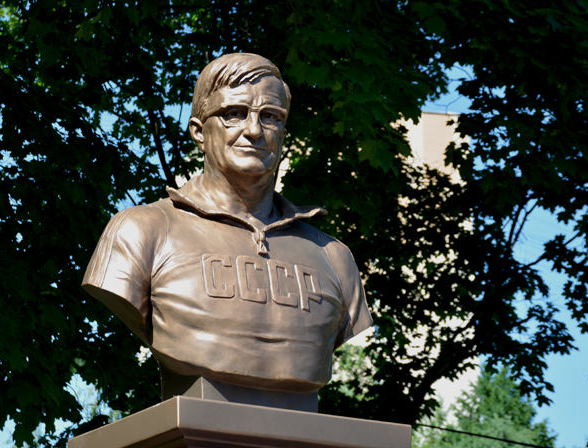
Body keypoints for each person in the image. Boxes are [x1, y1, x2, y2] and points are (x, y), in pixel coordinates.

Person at [82, 53, 372, 411]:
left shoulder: (333, 256)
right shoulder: (142, 232)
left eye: (271, 117)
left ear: (283, 132)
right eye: (234, 114)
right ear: (199, 133)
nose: (254, 130)